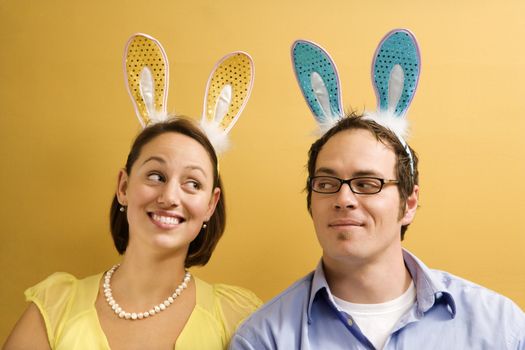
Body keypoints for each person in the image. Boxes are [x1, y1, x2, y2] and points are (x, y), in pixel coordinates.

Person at [229, 115, 525, 349]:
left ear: (409, 203)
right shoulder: (262, 339)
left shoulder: (500, 326)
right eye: (327, 184)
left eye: (368, 183)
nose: (343, 199)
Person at [5, 118, 261, 350]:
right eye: (156, 176)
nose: (170, 197)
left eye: (193, 183)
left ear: (210, 205)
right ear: (124, 187)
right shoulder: (55, 307)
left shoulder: (235, 317)